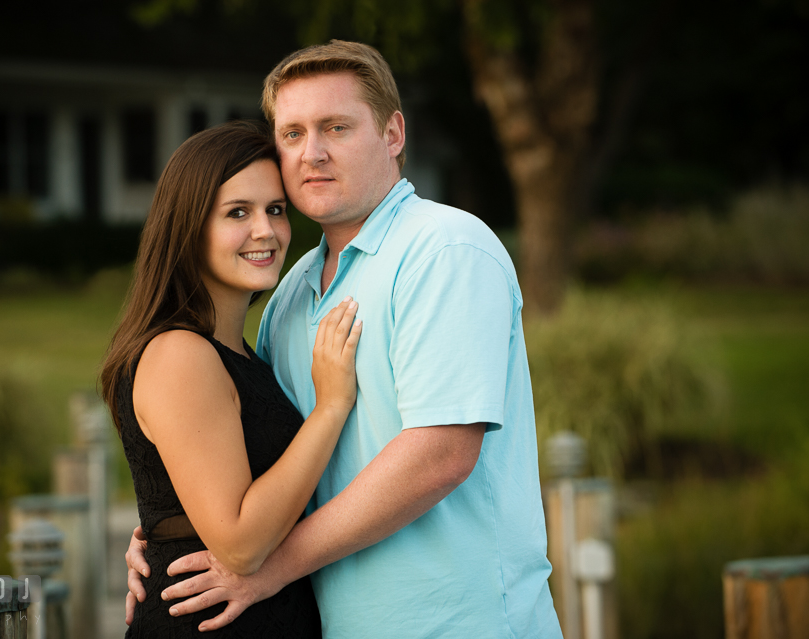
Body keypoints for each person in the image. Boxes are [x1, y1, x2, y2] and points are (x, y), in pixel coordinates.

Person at [127, 41, 563, 638]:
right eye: (294, 133)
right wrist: (164, 533)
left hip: (460, 624)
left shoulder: (445, 249)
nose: (314, 153)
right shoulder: (289, 292)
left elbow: (440, 455)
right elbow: (256, 455)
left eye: (337, 127)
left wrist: (266, 568)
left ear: (393, 134)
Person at [100, 120, 363, 637]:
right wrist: (331, 407)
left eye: (275, 210)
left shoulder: (240, 351)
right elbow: (240, 544)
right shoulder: (180, 353)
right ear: (189, 227)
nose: (265, 230)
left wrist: (160, 528)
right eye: (237, 213)